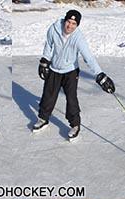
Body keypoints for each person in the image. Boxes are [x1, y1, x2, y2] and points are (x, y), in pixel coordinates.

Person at [34, 9, 116, 140]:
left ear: (77, 25)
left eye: (73, 23)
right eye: (68, 22)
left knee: (71, 98)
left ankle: (75, 125)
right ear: (64, 20)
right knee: (48, 95)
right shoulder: (54, 29)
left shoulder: (79, 38)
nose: (70, 26)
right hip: (54, 68)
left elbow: (88, 57)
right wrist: (44, 61)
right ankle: (43, 118)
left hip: (71, 71)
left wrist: (100, 74)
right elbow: (49, 46)